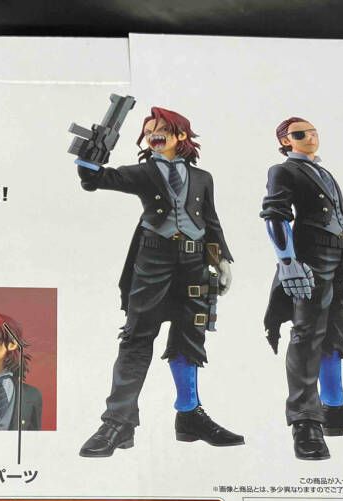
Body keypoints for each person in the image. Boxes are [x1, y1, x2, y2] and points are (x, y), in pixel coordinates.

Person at [75, 105, 242, 457]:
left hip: (195, 264)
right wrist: (90, 156)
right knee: (137, 338)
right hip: (153, 261)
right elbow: (95, 180)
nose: (153, 134)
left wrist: (223, 258)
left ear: (181, 136)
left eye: (161, 129)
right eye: (149, 130)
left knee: (190, 336)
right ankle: (118, 422)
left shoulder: (202, 178)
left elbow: (211, 220)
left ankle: (190, 415)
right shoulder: (142, 172)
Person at [261, 117, 343, 460]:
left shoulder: (323, 171)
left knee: (336, 329)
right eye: (300, 134)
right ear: (285, 141)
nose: (310, 137)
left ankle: (334, 407)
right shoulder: (283, 170)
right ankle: (305, 420)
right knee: (307, 334)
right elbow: (276, 215)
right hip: (312, 257)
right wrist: (288, 261)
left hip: (341, 255)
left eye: (313, 131)